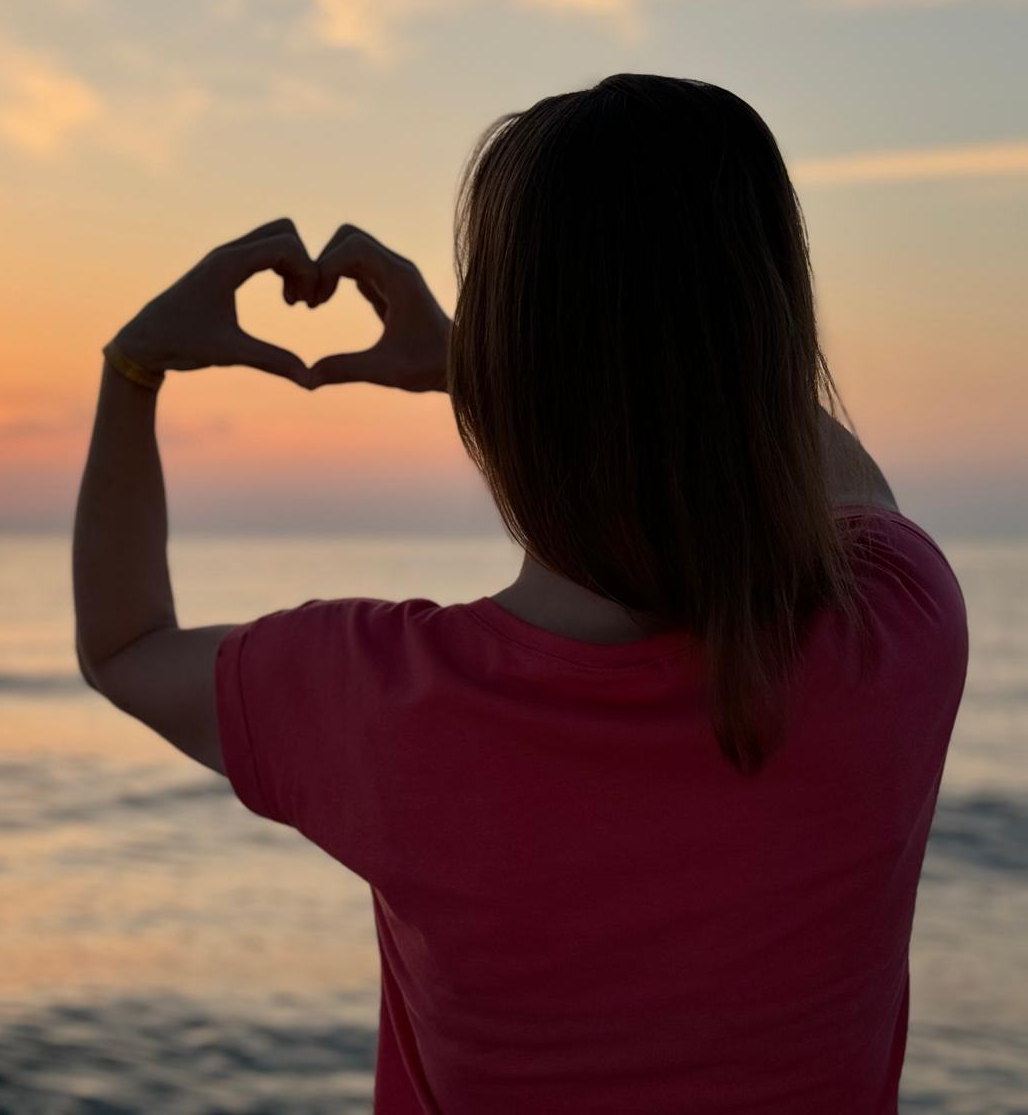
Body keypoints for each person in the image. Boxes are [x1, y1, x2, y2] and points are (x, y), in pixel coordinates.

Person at [71, 74, 967, 1113]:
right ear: (771, 328)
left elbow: (124, 644)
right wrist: (493, 364)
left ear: (510, 354)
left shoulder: (392, 707)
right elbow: (820, 473)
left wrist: (132, 369)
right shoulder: (894, 637)